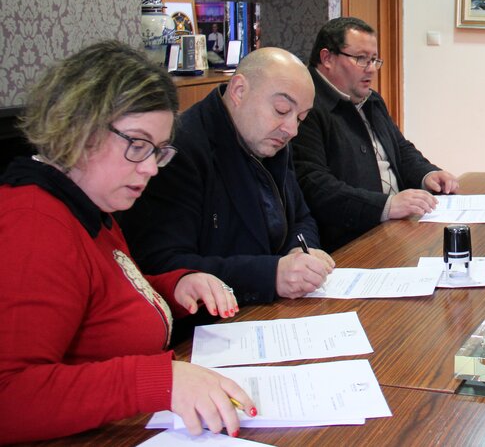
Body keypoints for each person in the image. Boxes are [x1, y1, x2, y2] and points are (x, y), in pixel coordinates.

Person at [0, 41, 255, 442]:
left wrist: (175, 286)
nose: (152, 168)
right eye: (137, 145)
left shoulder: (87, 202)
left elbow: (101, 297)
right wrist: (158, 381)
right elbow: (9, 397)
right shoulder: (32, 224)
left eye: (158, 150)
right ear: (78, 126)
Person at [121, 48, 335, 306]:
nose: (291, 129)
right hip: (208, 325)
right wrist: (271, 274)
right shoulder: (181, 150)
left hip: (275, 310)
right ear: (239, 91)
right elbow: (164, 264)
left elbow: (301, 217)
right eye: (281, 109)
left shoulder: (272, 140)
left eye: (301, 118)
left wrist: (301, 251)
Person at [292, 17, 459, 251]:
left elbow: (400, 149)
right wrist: (386, 206)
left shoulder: (371, 99)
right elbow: (315, 186)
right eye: (361, 59)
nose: (371, 69)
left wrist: (428, 173)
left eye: (374, 60)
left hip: (397, 229)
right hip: (352, 241)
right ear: (327, 58)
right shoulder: (305, 106)